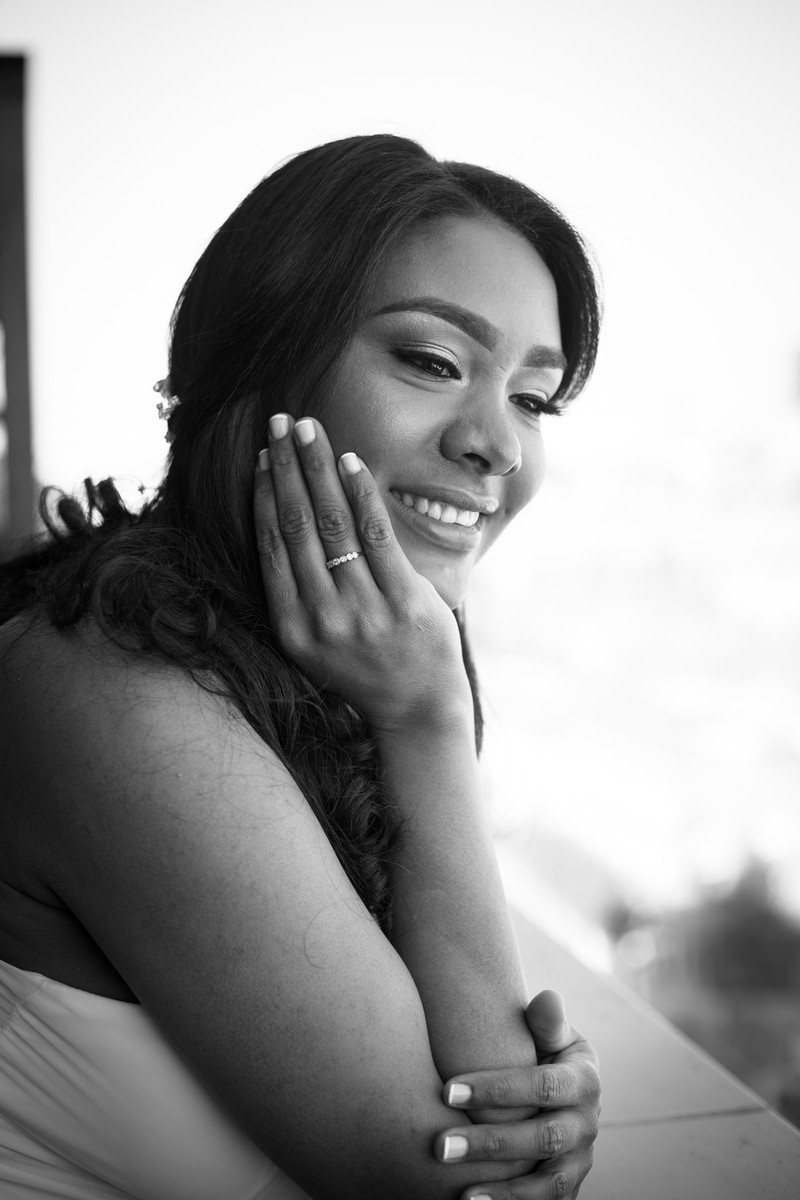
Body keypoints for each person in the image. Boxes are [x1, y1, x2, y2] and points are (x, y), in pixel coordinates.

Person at [0, 134, 602, 1199]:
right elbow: (453, 1179)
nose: (498, 445)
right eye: (433, 362)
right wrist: (427, 719)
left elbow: (493, 1107)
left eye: (533, 398)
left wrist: (542, 1106)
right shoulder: (111, 687)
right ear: (264, 356)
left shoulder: (331, 668)